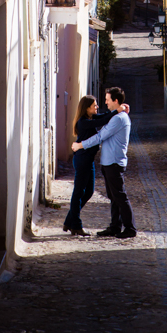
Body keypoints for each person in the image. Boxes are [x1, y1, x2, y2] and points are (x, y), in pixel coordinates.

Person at [71, 86, 136, 239]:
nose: (105, 103)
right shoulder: (116, 116)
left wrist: (81, 145)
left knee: (120, 196)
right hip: (108, 162)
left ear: (116, 101)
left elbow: (100, 136)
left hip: (114, 162)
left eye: (107, 100)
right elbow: (103, 121)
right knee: (113, 196)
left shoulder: (119, 119)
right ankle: (115, 226)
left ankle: (130, 228)